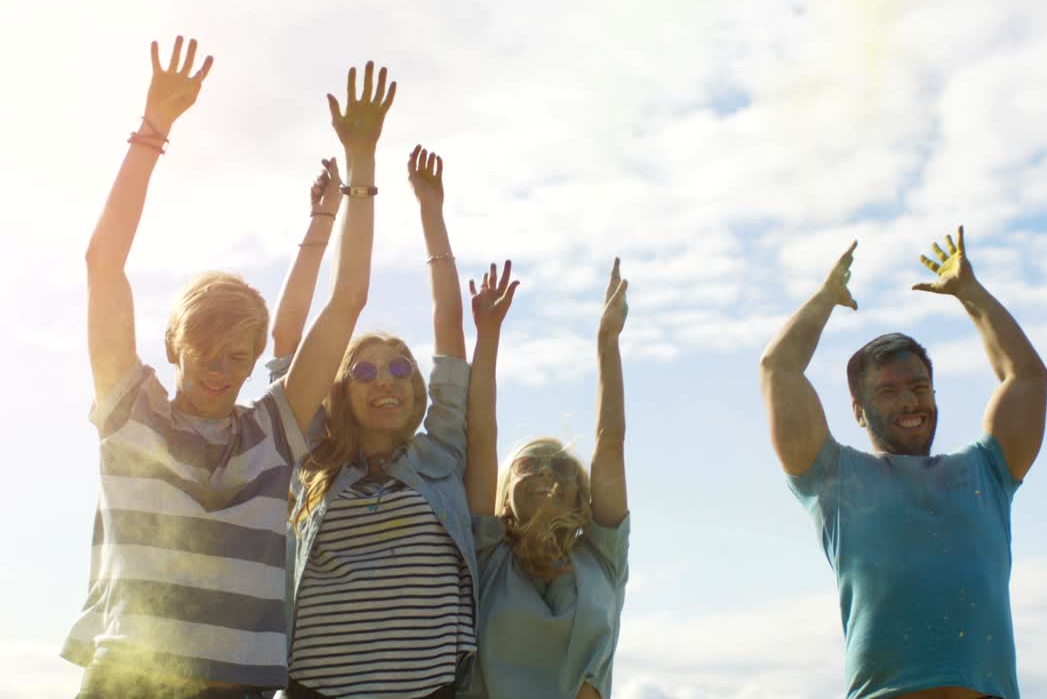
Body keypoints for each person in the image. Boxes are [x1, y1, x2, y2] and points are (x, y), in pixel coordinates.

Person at [66, 38, 387, 698]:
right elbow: (104, 264)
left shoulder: (273, 430)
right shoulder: (131, 412)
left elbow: (347, 300)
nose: (221, 370)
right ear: (175, 343)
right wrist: (153, 127)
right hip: (128, 676)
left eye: (238, 358)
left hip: (235, 686)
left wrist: (360, 165)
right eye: (207, 351)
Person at [759, 227, 1047, 699]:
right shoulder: (835, 480)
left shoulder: (985, 472)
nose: (909, 402)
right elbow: (779, 370)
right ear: (859, 410)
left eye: (919, 387)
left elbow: (1028, 377)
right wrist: (825, 299)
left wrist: (972, 295)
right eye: (888, 392)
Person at [270, 145, 484, 699]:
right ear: (340, 389)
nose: (384, 379)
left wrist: (431, 213)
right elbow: (289, 340)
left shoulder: (440, 460)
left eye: (399, 368)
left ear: (418, 389)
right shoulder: (314, 454)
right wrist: (322, 222)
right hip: (315, 687)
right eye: (363, 370)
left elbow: (449, 330)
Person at [464, 259, 630, 699]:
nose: (544, 472)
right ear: (504, 493)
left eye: (559, 467)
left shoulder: (603, 556)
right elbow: (481, 437)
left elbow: (609, 443)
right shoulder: (486, 553)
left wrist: (607, 343)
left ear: (581, 499)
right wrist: (488, 336)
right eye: (528, 465)